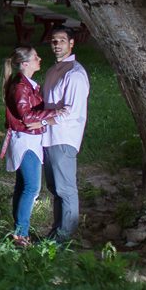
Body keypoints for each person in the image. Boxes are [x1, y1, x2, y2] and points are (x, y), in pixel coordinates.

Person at [1, 45, 66, 247]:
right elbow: (27, 117)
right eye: (36, 57)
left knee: (23, 186)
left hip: (26, 139)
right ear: (25, 63)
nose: (40, 59)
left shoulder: (25, 84)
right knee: (32, 188)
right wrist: (55, 114)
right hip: (26, 140)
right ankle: (21, 234)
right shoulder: (21, 86)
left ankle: (20, 231)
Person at [41, 27, 89, 243]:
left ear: (71, 43)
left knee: (65, 189)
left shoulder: (75, 74)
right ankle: (57, 232)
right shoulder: (54, 71)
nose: (57, 44)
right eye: (53, 41)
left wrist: (40, 120)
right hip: (48, 137)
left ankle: (65, 238)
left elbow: (70, 112)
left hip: (64, 137)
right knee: (54, 188)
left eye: (62, 40)